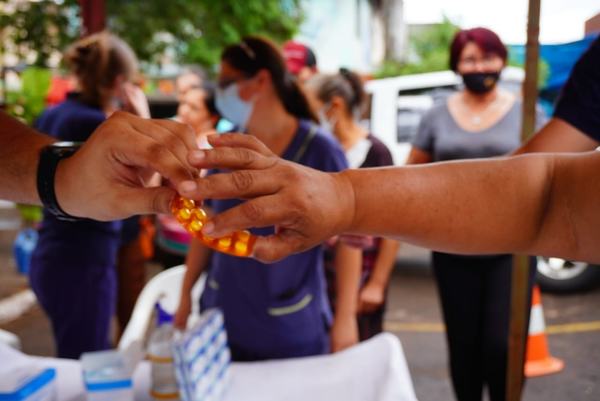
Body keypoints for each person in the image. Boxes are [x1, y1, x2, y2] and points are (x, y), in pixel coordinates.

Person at [173, 37, 600, 264]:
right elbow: (545, 195)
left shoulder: (318, 146)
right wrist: (347, 200)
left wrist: (348, 201)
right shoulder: (230, 141)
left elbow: (547, 197)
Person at [173, 36, 361, 361]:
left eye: (228, 83)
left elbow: (349, 241)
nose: (221, 93)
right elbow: (209, 226)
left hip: (289, 323)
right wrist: (187, 291)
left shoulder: (319, 150)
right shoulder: (228, 145)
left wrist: (346, 318)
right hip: (223, 314)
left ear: (261, 80)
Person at [406, 27, 545, 401]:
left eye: (487, 57)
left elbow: (551, 170)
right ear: (456, 65)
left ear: (502, 60)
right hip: (452, 249)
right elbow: (411, 174)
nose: (479, 66)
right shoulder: (436, 116)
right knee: (463, 347)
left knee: (502, 346)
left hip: (511, 250)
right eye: (469, 59)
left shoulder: (529, 112)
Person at [28, 32, 152, 358]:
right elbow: (139, 188)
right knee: (89, 366)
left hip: (52, 254)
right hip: (83, 264)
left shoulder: (54, 114)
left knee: (75, 356)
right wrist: (143, 117)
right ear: (120, 81)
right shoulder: (93, 123)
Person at [305, 69, 399, 341]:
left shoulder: (376, 153)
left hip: (363, 279)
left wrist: (377, 284)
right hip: (321, 280)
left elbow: (392, 228)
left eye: (310, 109)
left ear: (334, 105)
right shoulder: (315, 152)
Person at [155, 84, 222, 268]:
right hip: (172, 238)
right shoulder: (184, 142)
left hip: (190, 244)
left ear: (213, 116)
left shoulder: (208, 149)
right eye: (183, 103)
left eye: (194, 107)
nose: (183, 110)